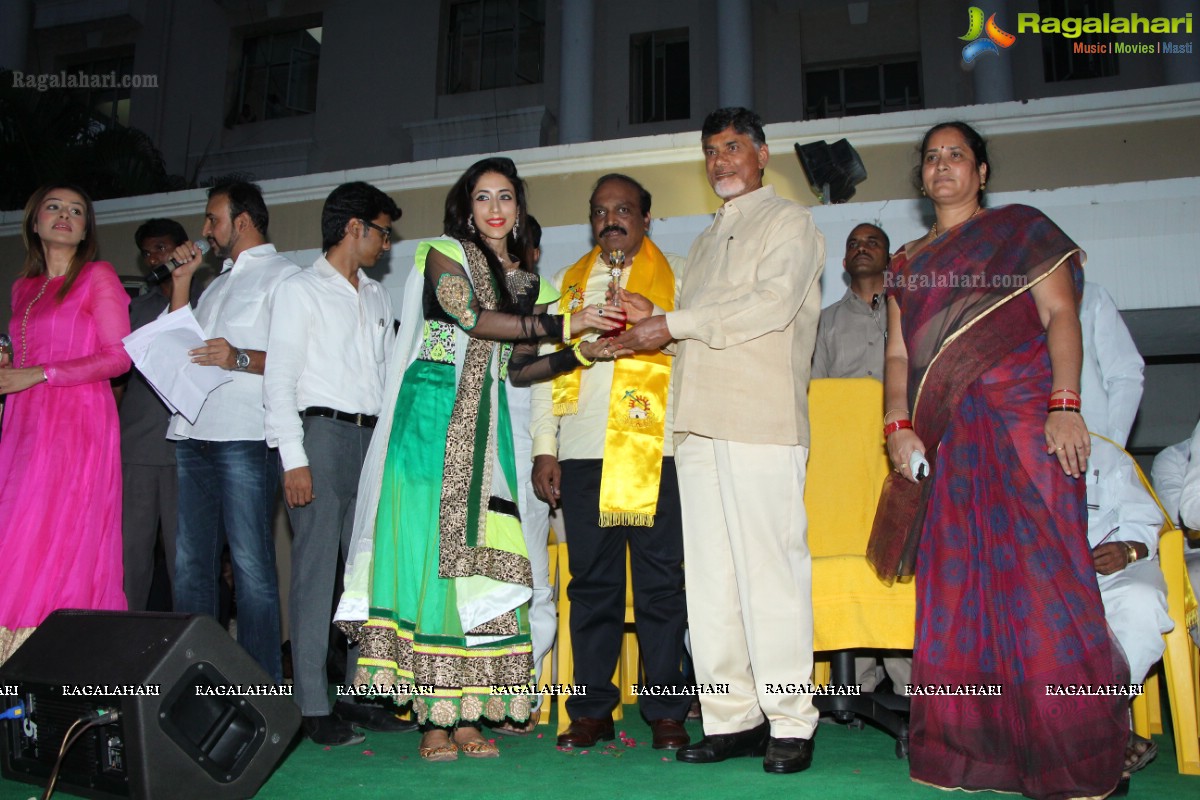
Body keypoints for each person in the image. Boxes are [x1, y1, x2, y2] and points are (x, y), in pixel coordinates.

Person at [333, 157, 624, 762]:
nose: (495, 208)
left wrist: (580, 352)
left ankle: (466, 715)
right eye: (484, 197)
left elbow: (520, 369)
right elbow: (467, 317)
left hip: (488, 430)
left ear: (519, 207)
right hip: (430, 418)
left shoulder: (531, 285)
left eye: (506, 198)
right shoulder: (443, 254)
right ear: (468, 206)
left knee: (480, 567)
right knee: (429, 559)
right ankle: (430, 722)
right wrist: (565, 320)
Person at [870, 121, 1128, 799]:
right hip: (947, 437)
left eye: (957, 155)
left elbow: (1059, 317)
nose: (943, 165)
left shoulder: (1020, 231)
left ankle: (1070, 748)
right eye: (931, 158)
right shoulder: (907, 263)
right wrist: (897, 425)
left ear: (982, 171)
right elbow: (899, 355)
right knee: (959, 590)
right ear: (922, 177)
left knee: (1050, 581)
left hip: (1026, 426)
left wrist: (1065, 404)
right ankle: (974, 753)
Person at [614, 107, 826, 775]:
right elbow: (697, 331)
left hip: (761, 418)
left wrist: (673, 321)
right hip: (697, 423)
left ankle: (791, 719)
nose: (720, 160)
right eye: (711, 150)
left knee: (771, 574)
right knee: (709, 581)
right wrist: (660, 322)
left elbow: (771, 304)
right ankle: (733, 717)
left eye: (733, 147)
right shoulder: (705, 241)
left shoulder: (790, 222)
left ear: (762, 155)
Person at [530, 174, 691, 750]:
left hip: (656, 452)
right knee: (591, 585)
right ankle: (592, 710)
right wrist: (544, 446)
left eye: (623, 209)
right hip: (581, 455)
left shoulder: (678, 275)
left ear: (646, 218)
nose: (611, 219)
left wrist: (661, 324)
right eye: (600, 211)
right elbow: (547, 372)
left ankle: (667, 709)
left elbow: (701, 351)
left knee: (660, 587)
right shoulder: (567, 284)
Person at [263, 182, 413, 745]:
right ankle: (311, 704)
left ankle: (357, 694)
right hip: (319, 437)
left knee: (363, 575)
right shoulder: (299, 290)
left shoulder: (376, 296)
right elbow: (278, 382)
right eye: (381, 229)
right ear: (354, 228)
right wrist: (293, 458)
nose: (386, 240)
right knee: (315, 574)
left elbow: (381, 379)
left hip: (370, 441)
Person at [166, 182, 301, 683]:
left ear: (242, 220)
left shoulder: (286, 278)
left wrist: (238, 357)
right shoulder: (215, 284)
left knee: (250, 568)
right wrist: (182, 281)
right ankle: (195, 683)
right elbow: (181, 346)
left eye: (212, 219)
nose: (204, 231)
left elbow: (300, 361)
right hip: (192, 434)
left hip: (245, 435)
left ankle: (261, 688)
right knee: (190, 568)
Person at [0, 184, 131, 663]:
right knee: (14, 526)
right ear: (34, 222)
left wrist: (39, 372)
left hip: (77, 418)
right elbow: (26, 351)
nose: (64, 215)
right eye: (53, 207)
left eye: (76, 211)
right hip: (23, 421)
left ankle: (55, 658)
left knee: (56, 529)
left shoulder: (98, 276)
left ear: (85, 231)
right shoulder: (22, 287)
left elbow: (119, 358)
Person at [811, 222, 911, 696]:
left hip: (903, 459)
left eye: (873, 242)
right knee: (854, 556)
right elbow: (814, 396)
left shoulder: (908, 314)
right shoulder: (824, 321)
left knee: (898, 554)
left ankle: (911, 684)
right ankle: (860, 683)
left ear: (888, 257)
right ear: (844, 261)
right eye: (853, 243)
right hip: (845, 470)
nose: (862, 248)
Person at [493, 213, 557, 735]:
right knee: (481, 581)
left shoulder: (553, 308)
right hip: (477, 461)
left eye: (520, 249)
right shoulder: (471, 309)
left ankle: (525, 693)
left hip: (531, 457)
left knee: (533, 579)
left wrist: (545, 452)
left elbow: (545, 387)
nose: (511, 257)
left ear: (533, 255)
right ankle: (479, 692)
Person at [1086, 434, 1172, 774]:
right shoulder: (1001, 450)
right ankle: (1104, 731)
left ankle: (1097, 721)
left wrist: (1128, 550)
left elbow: (1146, 521)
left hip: (1109, 569)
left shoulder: (1107, 454)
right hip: (1037, 576)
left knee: (1141, 600)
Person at [117, 218, 190, 611]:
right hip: (137, 447)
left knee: (187, 561)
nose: (153, 258)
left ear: (182, 248)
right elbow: (116, 377)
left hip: (188, 449)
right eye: (147, 252)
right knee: (132, 557)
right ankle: (127, 652)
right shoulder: (136, 309)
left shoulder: (207, 298)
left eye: (161, 248)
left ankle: (190, 655)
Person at [1079, 281, 1143, 447]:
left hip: (1087, 446)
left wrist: (1112, 444)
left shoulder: (1089, 295)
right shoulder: (1004, 293)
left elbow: (1125, 373)